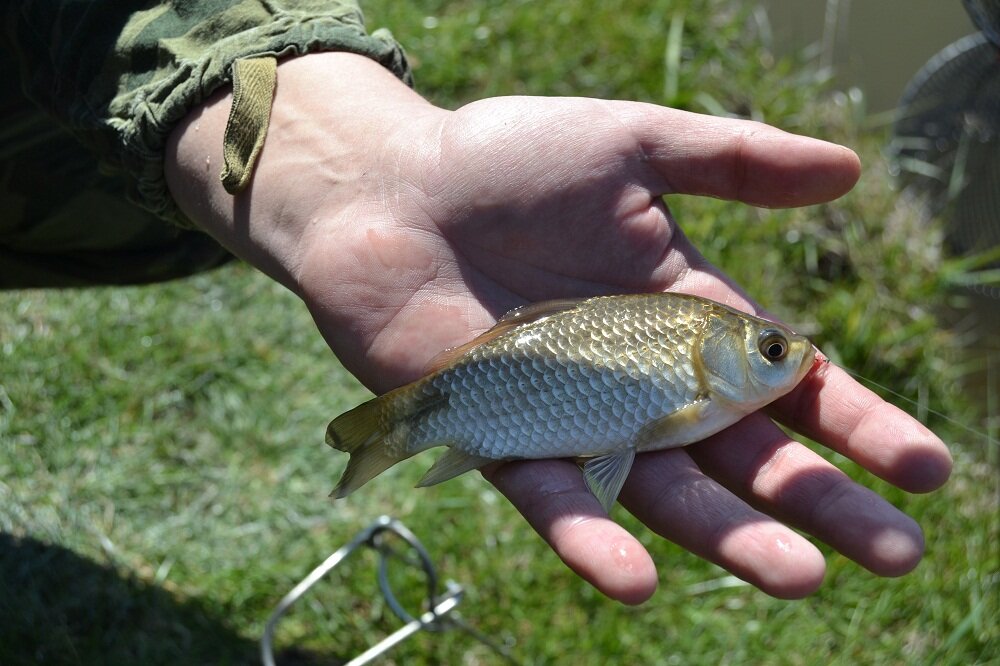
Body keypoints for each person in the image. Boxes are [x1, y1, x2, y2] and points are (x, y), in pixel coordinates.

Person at [3, 2, 952, 605]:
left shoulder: (696, 367)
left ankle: (405, 424)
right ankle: (402, 423)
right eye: (775, 353)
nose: (791, 361)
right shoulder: (697, 375)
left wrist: (318, 147)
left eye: (778, 355)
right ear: (726, 355)